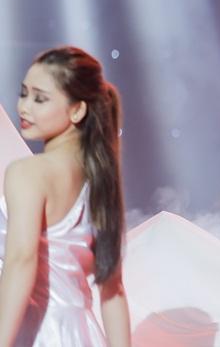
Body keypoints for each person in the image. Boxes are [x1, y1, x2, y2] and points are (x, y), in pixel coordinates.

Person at [0, 47, 130, 346]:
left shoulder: (27, 172)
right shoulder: (99, 179)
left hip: (35, 331)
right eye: (23, 94)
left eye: (40, 98)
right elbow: (113, 290)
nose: (24, 107)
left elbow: (21, 260)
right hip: (83, 334)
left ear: (77, 110)